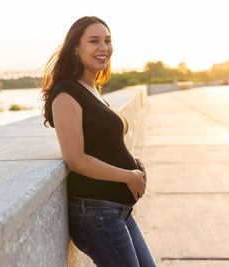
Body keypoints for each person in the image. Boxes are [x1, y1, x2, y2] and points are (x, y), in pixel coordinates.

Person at [41, 16, 156, 267]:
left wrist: (133, 164)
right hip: (96, 214)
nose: (103, 48)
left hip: (117, 211)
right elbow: (76, 159)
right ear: (75, 48)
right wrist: (128, 176)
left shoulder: (92, 88)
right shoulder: (66, 93)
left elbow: (103, 143)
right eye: (94, 41)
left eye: (107, 40)